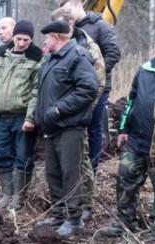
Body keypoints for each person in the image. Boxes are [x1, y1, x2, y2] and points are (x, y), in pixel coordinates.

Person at [35, 20, 98, 236]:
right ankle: (58, 213)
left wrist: (60, 110)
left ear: (56, 37)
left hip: (70, 127)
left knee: (70, 173)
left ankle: (74, 219)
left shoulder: (77, 56)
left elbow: (89, 88)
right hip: (51, 128)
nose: (44, 40)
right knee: (53, 172)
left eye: (47, 37)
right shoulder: (51, 59)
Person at [59, 0, 121, 203]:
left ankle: (90, 173)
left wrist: (92, 76)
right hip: (71, 91)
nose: (66, 12)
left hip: (97, 89)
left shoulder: (101, 25)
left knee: (93, 130)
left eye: (68, 7)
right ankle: (71, 175)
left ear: (79, 4)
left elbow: (113, 54)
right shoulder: (66, 28)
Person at [0, 20, 43, 211]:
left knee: (23, 158)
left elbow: (36, 93)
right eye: (18, 38)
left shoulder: (36, 61)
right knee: (0, 156)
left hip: (21, 117)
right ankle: (7, 194)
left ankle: (18, 198)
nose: (21, 43)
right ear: (13, 37)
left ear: (31, 40)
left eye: (26, 39)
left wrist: (30, 118)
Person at [51, 6, 106, 222]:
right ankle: (64, 202)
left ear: (70, 24)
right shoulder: (58, 47)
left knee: (81, 159)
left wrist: (80, 110)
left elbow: (98, 83)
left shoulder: (88, 46)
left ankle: (87, 204)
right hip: (59, 115)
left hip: (79, 113)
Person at [100, 55, 155, 237]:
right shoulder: (146, 69)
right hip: (137, 138)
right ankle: (126, 223)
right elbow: (131, 99)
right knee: (125, 177)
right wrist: (123, 128)